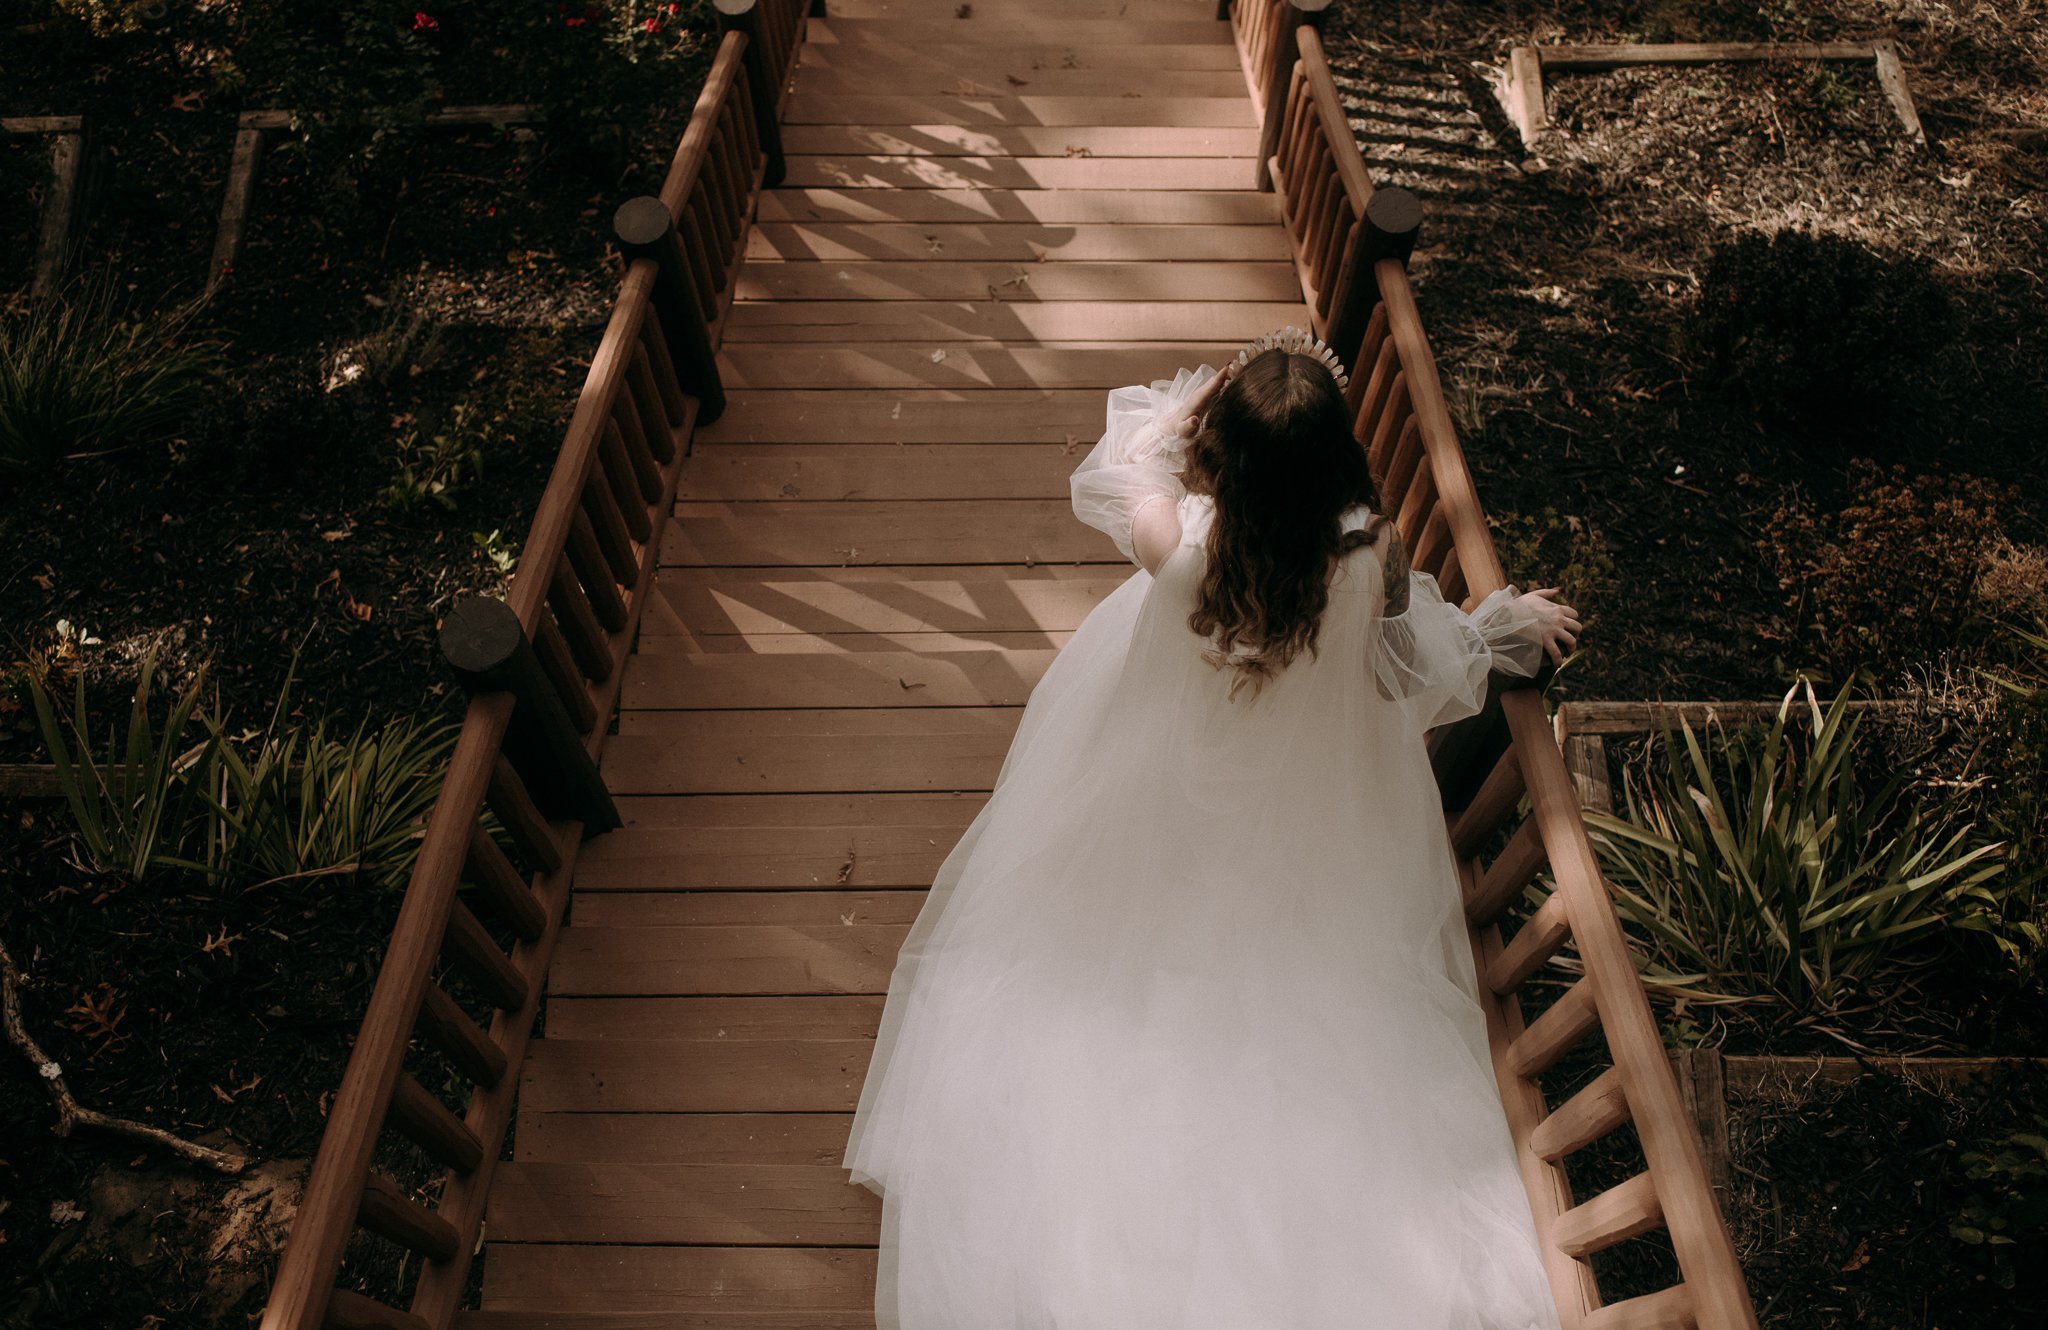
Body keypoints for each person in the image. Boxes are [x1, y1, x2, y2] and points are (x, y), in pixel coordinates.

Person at [842, 328, 1580, 1329]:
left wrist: (1189, 414)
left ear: (1225, 463)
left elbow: (1120, 465)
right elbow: (1411, 660)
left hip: (1167, 764)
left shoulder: (1180, 552)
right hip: (1307, 796)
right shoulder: (1367, 558)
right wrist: (1495, 630)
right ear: (1333, 466)